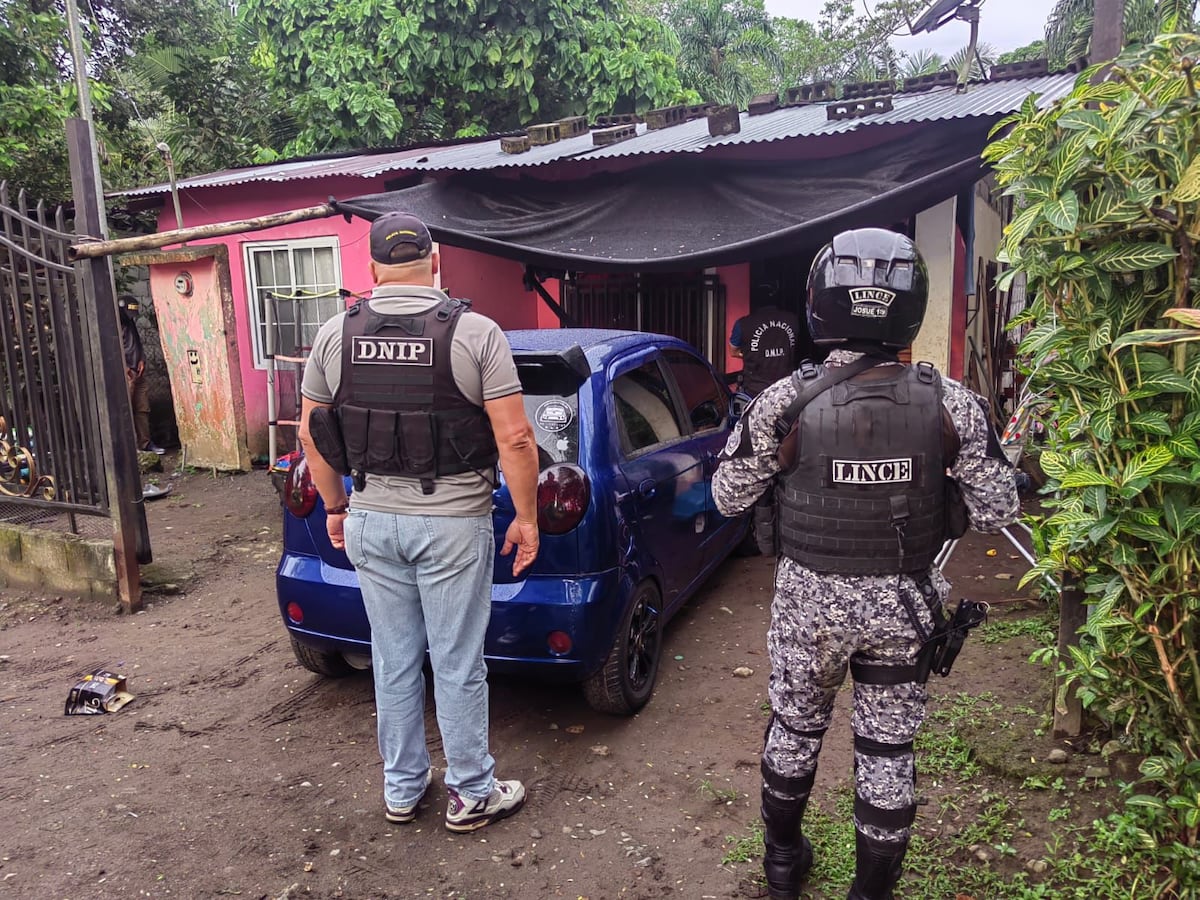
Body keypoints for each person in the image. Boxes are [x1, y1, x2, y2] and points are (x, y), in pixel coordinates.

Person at [712, 228, 1019, 900]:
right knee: (886, 753)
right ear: (910, 306)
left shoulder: (784, 400)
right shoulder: (951, 401)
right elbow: (998, 507)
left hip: (808, 608)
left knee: (794, 729)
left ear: (821, 300)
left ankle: (784, 865)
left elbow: (728, 495)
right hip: (904, 606)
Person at [297, 211, 541, 833]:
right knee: (457, 661)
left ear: (372, 269)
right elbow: (515, 439)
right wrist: (528, 520)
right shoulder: (477, 333)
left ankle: (403, 789)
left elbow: (312, 437)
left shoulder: (333, 334)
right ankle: (470, 792)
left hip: (372, 518)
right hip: (453, 524)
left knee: (393, 657)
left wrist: (334, 507)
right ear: (437, 263)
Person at [119, 294, 164, 455]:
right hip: (126, 374)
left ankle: (145, 443)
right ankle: (131, 448)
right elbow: (111, 349)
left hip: (138, 371)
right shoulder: (112, 325)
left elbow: (137, 342)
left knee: (142, 408)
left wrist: (142, 359)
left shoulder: (129, 322)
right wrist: (124, 368)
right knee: (127, 409)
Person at [729, 303, 803, 398]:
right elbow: (796, 348)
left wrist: (754, 354)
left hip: (754, 392)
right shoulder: (793, 319)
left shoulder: (743, 324)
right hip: (787, 389)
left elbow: (733, 352)